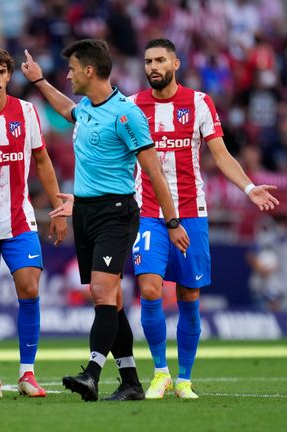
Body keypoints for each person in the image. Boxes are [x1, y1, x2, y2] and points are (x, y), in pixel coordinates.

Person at [23, 39, 190, 402]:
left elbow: (155, 173)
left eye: (71, 69)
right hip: (85, 211)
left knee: (101, 291)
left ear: (89, 70)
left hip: (116, 212)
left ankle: (92, 372)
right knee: (110, 300)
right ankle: (130, 382)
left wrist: (172, 221)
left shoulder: (125, 114)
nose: (67, 75)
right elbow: (68, 109)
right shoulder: (86, 108)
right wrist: (39, 82)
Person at [130, 38, 280, 399]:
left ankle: (184, 377)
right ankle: (160, 372)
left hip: (192, 213)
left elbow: (221, 154)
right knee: (150, 288)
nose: (153, 66)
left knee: (189, 293)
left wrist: (248, 188)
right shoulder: (134, 106)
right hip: (148, 212)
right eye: (149, 60)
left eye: (160, 60)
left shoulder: (199, 103)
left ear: (176, 63)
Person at [0, 45, 67, 399]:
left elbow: (42, 161)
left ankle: (27, 373)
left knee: (29, 288)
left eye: (1, 72)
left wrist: (57, 208)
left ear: (9, 75)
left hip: (20, 219)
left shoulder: (25, 111)